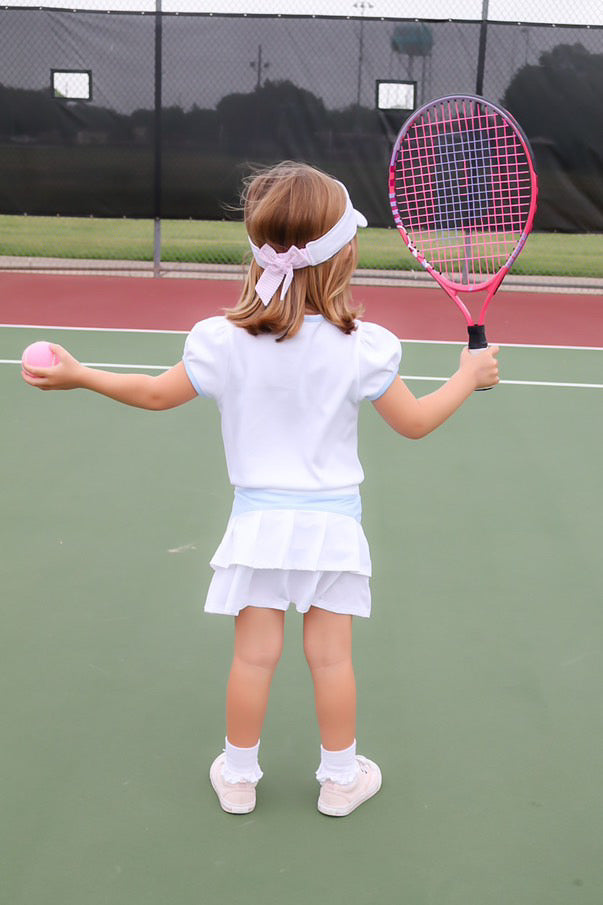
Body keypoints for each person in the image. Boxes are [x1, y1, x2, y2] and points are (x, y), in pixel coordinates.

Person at [22, 161, 499, 818]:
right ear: (346, 255)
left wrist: (81, 374)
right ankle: (340, 780)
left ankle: (238, 776)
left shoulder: (222, 342)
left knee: (253, 658)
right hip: (332, 529)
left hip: (256, 528)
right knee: (331, 659)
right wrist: (467, 377)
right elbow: (414, 423)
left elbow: (158, 394)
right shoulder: (364, 348)